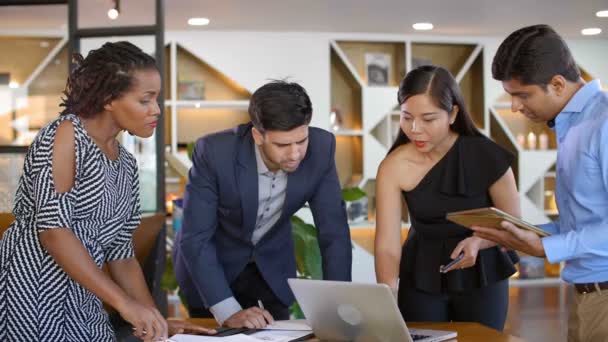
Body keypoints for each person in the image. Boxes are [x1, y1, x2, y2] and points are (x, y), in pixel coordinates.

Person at [0, 41, 213, 342]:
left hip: (84, 296)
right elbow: (53, 232)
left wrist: (154, 321)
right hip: (32, 294)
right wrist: (125, 304)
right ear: (109, 98)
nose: (156, 110)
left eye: (157, 99)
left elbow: (121, 254)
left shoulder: (125, 163)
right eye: (145, 100)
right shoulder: (66, 135)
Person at [173, 80, 352, 329]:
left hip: (272, 271)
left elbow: (334, 231)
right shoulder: (215, 153)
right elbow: (196, 238)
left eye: (301, 141)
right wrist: (228, 311)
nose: (295, 154)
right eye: (282, 145)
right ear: (258, 135)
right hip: (213, 270)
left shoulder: (321, 148)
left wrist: (339, 304)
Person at [472, 24, 608, 342]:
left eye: (522, 95)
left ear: (558, 84)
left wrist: (546, 247)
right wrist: (511, 234)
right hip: (586, 296)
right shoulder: (572, 124)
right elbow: (585, 222)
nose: (515, 107)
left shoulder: (602, 125)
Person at [374, 65, 520, 331]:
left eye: (428, 119)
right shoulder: (393, 165)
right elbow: (387, 244)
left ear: (453, 113)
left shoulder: (487, 155)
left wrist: (479, 241)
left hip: (482, 270)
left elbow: (513, 222)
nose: (415, 129)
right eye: (407, 118)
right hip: (420, 270)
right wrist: (388, 293)